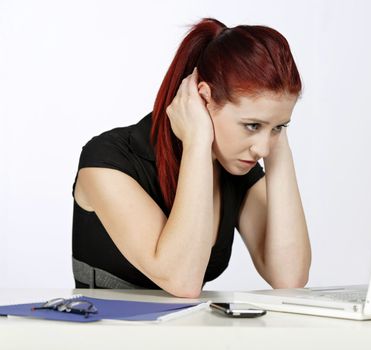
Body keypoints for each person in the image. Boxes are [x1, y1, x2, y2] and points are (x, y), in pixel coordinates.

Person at [71, 18, 311, 298]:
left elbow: (289, 277)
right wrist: (197, 141)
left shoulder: (234, 164)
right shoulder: (107, 160)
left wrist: (277, 143)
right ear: (203, 99)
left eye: (279, 127)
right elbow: (181, 280)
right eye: (252, 125)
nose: (262, 149)